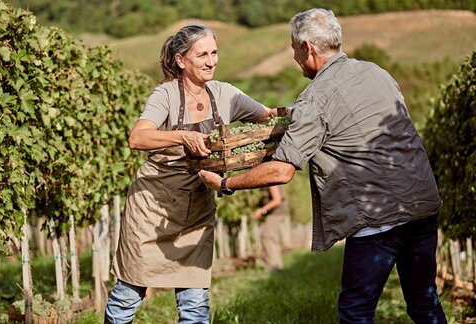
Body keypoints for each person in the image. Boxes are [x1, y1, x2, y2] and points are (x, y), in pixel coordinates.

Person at [198, 8, 447, 323]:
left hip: (378, 219)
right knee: (424, 302)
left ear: (308, 49)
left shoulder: (314, 100)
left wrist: (224, 184)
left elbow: (282, 170)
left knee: (356, 312)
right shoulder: (375, 72)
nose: (294, 58)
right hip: (421, 204)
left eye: (294, 49)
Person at [104, 23, 275, 323]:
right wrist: (182, 136)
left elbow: (267, 115)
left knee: (195, 303)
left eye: (214, 53)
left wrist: (302, 113)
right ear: (181, 60)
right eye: (202, 55)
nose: (211, 61)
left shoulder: (226, 94)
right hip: (152, 210)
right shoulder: (166, 95)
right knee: (128, 294)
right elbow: (138, 137)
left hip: (196, 210)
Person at [252, 185, 285, 273]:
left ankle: (273, 266)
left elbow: (277, 200)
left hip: (275, 213)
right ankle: (278, 266)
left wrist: (262, 210)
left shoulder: (270, 179)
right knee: (272, 238)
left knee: (267, 236)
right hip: (275, 213)